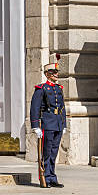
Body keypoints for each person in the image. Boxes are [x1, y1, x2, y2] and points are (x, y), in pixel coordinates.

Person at [30, 59, 67, 188]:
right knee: (46, 152)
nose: (57, 74)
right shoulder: (41, 89)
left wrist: (64, 124)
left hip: (57, 123)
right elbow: (35, 108)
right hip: (47, 124)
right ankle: (45, 177)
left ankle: (52, 177)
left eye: (57, 72)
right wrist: (35, 126)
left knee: (54, 152)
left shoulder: (58, 88)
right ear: (47, 74)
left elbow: (62, 107)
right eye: (54, 72)